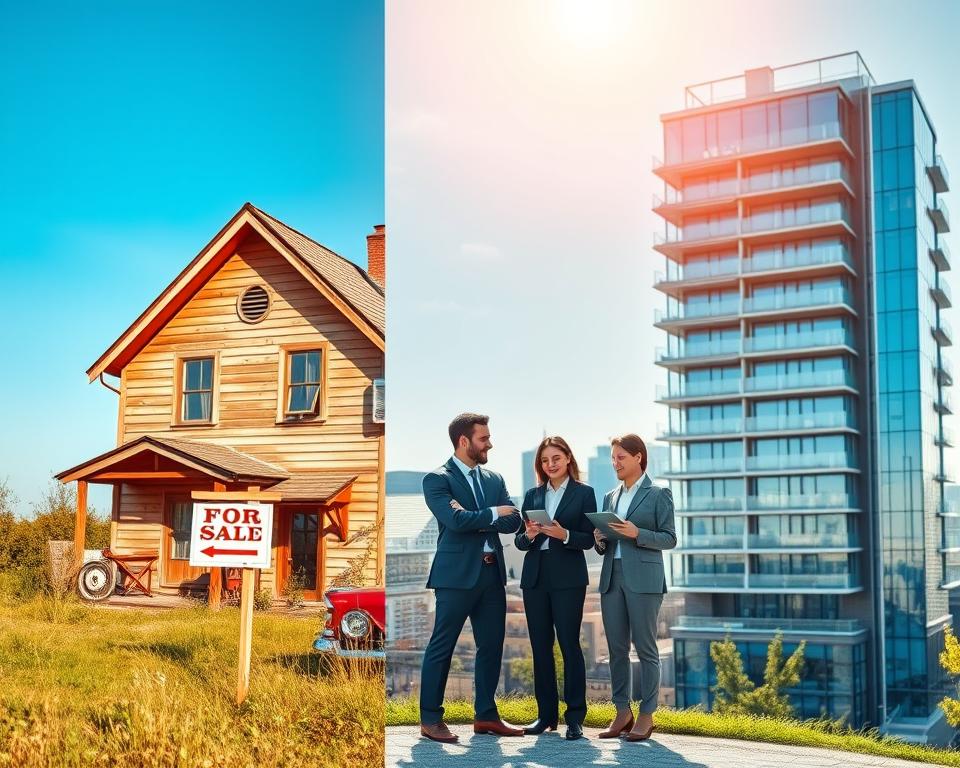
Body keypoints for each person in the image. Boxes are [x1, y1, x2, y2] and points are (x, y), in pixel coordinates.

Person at [418, 413, 524, 743]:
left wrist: (476, 518)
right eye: (484, 438)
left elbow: (514, 520)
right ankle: (430, 719)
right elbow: (455, 521)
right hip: (455, 577)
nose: (490, 443)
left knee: (491, 646)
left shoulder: (494, 479)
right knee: (442, 646)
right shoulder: (437, 479)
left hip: (492, 574)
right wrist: (492, 514)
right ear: (464, 441)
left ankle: (486, 716)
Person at [594, 434, 676, 742]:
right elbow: (605, 543)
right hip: (611, 577)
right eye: (613, 458)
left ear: (638, 457)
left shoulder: (658, 494)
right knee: (616, 649)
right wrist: (600, 539)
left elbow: (669, 538)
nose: (615, 463)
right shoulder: (609, 497)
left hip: (644, 579)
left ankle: (646, 715)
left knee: (646, 648)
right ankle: (622, 712)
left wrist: (636, 532)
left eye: (621, 457)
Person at [515, 436, 596, 741]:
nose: (551, 464)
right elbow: (520, 542)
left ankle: (574, 718)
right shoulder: (532, 495)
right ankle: (546, 715)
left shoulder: (584, 493)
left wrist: (565, 535)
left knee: (569, 645)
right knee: (540, 647)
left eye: (556, 458)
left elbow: (589, 539)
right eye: (545, 460)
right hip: (535, 579)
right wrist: (530, 535)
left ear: (568, 458)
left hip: (568, 579)